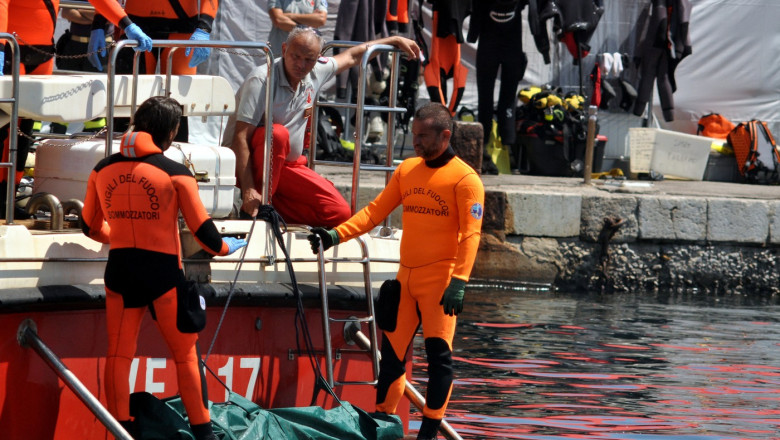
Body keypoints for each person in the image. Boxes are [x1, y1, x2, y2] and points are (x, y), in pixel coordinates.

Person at [307, 102, 485, 440]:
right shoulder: (408, 170)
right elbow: (374, 212)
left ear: (445, 135)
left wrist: (459, 281)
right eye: (413, 134)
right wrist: (335, 235)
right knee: (391, 357)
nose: (415, 142)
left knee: (439, 359)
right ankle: (384, 426)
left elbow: (471, 235)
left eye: (423, 137)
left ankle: (428, 433)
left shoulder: (465, 180)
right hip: (406, 278)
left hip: (441, 282)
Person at [81, 96, 247, 440]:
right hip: (163, 276)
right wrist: (231, 245)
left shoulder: (100, 169)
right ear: (171, 132)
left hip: (120, 270)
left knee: (119, 354)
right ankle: (204, 433)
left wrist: (117, 234)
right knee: (185, 356)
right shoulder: (177, 174)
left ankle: (121, 430)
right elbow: (207, 239)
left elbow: (90, 226)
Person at [226, 26, 420, 226]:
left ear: (318, 58)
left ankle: (272, 213)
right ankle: (256, 208)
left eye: (308, 59)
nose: (300, 64)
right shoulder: (262, 79)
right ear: (284, 50)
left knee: (340, 213)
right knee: (278, 134)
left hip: (288, 166)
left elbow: (354, 56)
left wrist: (394, 39)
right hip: (249, 166)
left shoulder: (318, 70)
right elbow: (240, 138)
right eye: (295, 56)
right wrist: (249, 189)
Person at [0, 0, 151, 219]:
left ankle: (7, 198)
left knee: (26, 128)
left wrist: (126, 23)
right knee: (4, 125)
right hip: (12, 48)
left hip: (43, 52)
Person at [87, 0, 218, 74]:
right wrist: (98, 23)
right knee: (128, 100)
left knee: (178, 105)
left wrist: (204, 28)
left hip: (181, 30)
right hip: (134, 27)